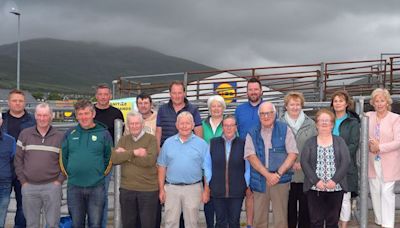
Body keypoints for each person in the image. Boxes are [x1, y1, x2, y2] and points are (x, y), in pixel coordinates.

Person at [60, 99, 113, 228]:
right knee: (77, 223)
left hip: (96, 187)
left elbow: (109, 157)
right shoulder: (70, 134)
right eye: (80, 114)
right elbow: (63, 157)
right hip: (74, 187)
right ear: (76, 116)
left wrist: (99, 174)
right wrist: (72, 173)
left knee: (95, 223)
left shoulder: (104, 134)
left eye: (86, 113)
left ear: (93, 114)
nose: (84, 117)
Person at [245, 102, 298, 228]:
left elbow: (293, 153)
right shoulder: (252, 132)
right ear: (259, 116)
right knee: (259, 220)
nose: (266, 116)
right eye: (262, 114)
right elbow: (251, 156)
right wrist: (267, 175)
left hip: (281, 180)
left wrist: (278, 174)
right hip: (260, 179)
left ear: (274, 114)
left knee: (280, 219)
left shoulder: (285, 129)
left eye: (269, 113)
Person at [14, 103, 65, 228]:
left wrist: (59, 181)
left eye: (45, 115)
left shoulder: (60, 137)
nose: (42, 118)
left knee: (53, 224)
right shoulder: (25, 134)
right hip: (29, 187)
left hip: (52, 186)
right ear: (35, 116)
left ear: (51, 116)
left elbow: (66, 161)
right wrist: (23, 181)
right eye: (39, 115)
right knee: (31, 224)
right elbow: (18, 159)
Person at [157, 111, 209, 228]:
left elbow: (207, 170)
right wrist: (161, 189)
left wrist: (206, 190)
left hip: (193, 188)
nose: (184, 126)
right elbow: (162, 167)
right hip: (171, 189)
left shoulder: (202, 144)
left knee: (192, 223)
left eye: (187, 123)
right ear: (176, 125)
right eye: (181, 123)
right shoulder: (168, 143)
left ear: (193, 125)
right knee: (170, 223)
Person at [301, 109, 350, 228]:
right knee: (315, 221)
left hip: (335, 188)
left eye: (327, 121)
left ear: (332, 124)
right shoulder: (309, 142)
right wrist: (316, 181)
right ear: (316, 124)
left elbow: (345, 161)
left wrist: (334, 180)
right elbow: (304, 162)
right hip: (315, 188)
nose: (324, 123)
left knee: (332, 221)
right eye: (321, 120)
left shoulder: (340, 141)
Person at [111, 110, 158, 228]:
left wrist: (126, 155)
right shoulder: (123, 140)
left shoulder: (151, 139)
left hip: (148, 190)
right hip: (127, 189)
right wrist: (134, 152)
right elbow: (115, 159)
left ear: (142, 124)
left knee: (147, 224)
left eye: (137, 123)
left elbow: (149, 161)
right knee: (128, 224)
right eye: (131, 124)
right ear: (127, 125)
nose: (134, 126)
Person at [205, 115, 250, 228]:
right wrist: (209, 184)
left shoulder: (244, 144)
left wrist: (247, 185)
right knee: (220, 221)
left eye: (231, 125)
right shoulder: (213, 143)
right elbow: (207, 165)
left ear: (236, 127)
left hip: (237, 190)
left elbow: (248, 167)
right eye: (226, 125)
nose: (229, 128)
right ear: (222, 127)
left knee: (234, 221)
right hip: (217, 190)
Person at [280, 92, 317, 228]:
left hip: (305, 174)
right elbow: (277, 148)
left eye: (297, 104)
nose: (295, 107)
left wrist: (303, 163)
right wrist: (289, 164)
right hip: (286, 174)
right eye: (291, 104)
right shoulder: (279, 124)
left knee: (305, 209)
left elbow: (315, 147)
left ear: (302, 106)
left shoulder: (311, 124)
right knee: (287, 208)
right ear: (286, 106)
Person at [1, 89, 36, 228]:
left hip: (24, 170)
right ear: (9, 102)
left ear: (24, 103)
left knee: (24, 206)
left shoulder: (33, 121)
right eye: (14, 100)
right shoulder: (1, 119)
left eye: (20, 101)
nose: (17, 103)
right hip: (4, 170)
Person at [366, 88, 400, 228]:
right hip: (372, 161)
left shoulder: (396, 118)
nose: (379, 103)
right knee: (375, 190)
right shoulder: (368, 116)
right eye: (376, 101)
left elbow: (398, 141)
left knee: (386, 192)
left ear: (387, 102)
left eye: (382, 100)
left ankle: (388, 224)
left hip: (389, 161)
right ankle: (379, 221)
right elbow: (364, 135)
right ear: (373, 103)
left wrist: (379, 147)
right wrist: (370, 144)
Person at [93, 83, 124, 228]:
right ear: (96, 96)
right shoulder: (90, 111)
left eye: (106, 94)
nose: (103, 97)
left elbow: (121, 136)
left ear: (110, 96)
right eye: (100, 94)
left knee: (102, 194)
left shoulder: (117, 113)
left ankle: (102, 224)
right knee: (87, 194)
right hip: (90, 158)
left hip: (107, 160)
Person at [235, 77, 263, 228]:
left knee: (262, 192)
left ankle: (260, 223)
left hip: (263, 156)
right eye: (250, 89)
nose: (253, 92)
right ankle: (250, 225)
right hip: (244, 157)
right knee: (248, 191)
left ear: (261, 90)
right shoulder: (240, 110)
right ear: (247, 91)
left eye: (255, 89)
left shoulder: (267, 107)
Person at [330, 90, 360, 228]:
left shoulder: (353, 122)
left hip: (346, 165)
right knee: (331, 198)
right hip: (328, 163)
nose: (338, 103)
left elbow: (354, 144)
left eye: (341, 101)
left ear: (347, 103)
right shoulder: (328, 119)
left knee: (345, 198)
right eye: (335, 101)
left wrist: (340, 156)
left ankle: (344, 226)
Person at [202, 95, 226, 228]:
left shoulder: (229, 124)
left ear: (223, 108)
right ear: (209, 109)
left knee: (222, 203)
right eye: (213, 106)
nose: (216, 109)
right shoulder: (203, 124)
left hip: (224, 170)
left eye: (219, 106)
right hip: (205, 170)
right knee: (208, 201)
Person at [156, 80, 203, 148]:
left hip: (188, 151)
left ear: (184, 93)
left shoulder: (193, 110)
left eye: (179, 93)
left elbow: (199, 134)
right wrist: (159, 153)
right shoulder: (162, 110)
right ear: (170, 93)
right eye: (174, 93)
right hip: (167, 152)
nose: (177, 96)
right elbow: (158, 134)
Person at [0, 112, 16, 227]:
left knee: (1, 215)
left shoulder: (10, 140)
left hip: (4, 183)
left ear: (1, 121)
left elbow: (14, 160)